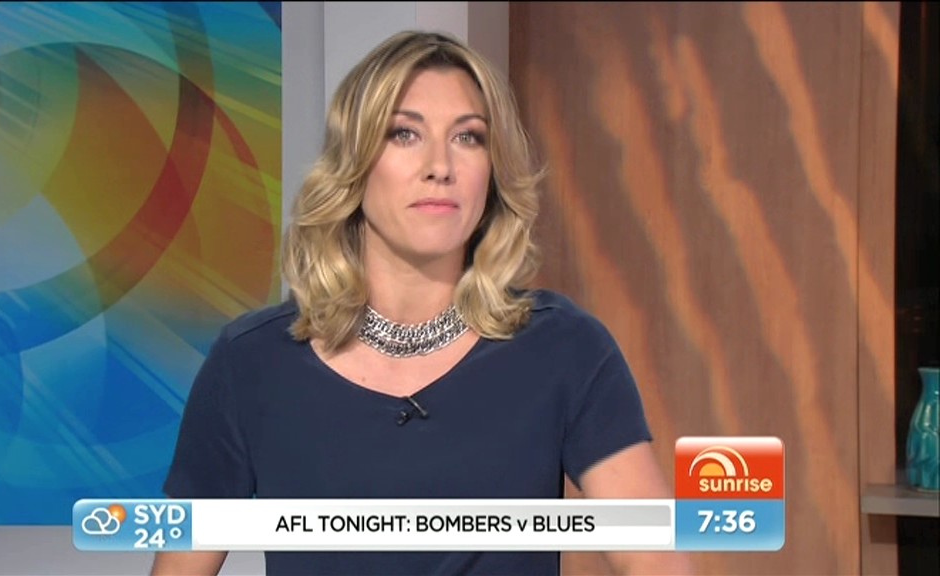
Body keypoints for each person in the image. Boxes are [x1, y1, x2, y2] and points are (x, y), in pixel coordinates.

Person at [151, 30, 693, 576]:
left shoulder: (565, 349)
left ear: (492, 171)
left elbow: (655, 562)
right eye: (404, 134)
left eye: (469, 137)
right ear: (354, 163)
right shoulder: (251, 363)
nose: (440, 166)